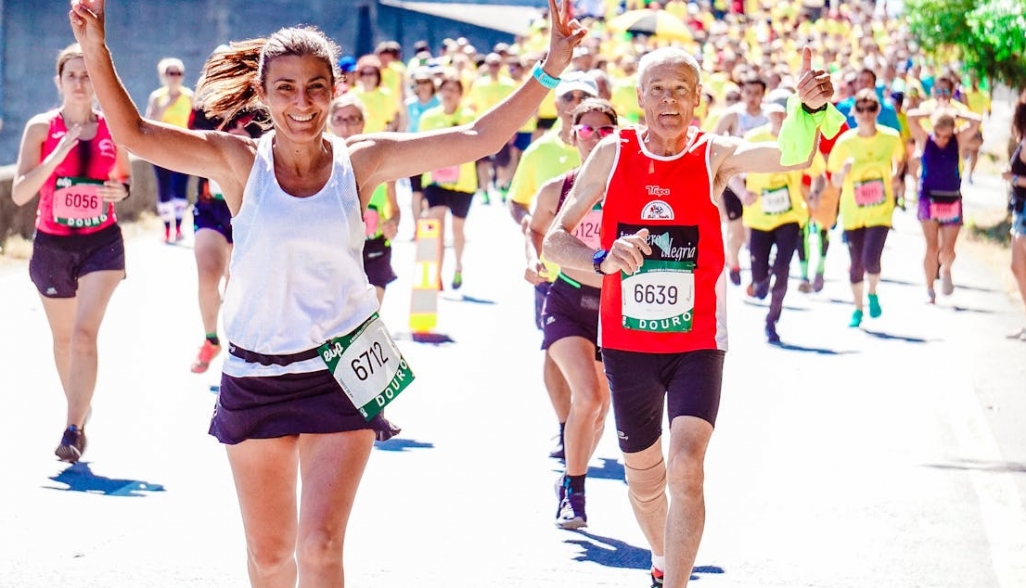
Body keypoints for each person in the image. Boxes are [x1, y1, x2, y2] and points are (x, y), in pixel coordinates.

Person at [69, 4, 584, 588]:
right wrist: (94, 46)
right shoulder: (238, 162)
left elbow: (477, 138)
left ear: (335, 89)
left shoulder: (362, 161)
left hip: (342, 373)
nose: (301, 103)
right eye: (284, 88)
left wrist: (550, 67)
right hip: (256, 376)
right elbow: (133, 134)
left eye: (316, 87)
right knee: (269, 559)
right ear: (263, 94)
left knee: (320, 548)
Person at [543, 46, 835, 588]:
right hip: (628, 344)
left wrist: (807, 111)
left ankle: (671, 581)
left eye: (681, 89)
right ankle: (663, 557)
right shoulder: (612, 152)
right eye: (657, 88)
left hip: (698, 341)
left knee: (687, 467)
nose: (669, 99)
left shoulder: (713, 154)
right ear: (640, 98)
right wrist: (603, 259)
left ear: (698, 99)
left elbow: (792, 158)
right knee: (645, 484)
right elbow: (556, 242)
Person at [11, 42, 132, 462]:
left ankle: (72, 429)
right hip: (52, 245)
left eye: (87, 75)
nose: (80, 83)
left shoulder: (114, 129)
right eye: (72, 76)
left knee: (83, 334)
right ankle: (81, 408)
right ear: (58, 82)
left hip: (101, 244)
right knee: (63, 340)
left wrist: (121, 190)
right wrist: (57, 155)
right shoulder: (41, 129)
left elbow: (125, 181)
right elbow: (21, 192)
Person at [526, 98, 617, 528]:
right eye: (587, 130)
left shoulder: (631, 189)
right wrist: (532, 258)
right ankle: (575, 493)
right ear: (572, 135)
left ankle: (569, 476)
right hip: (567, 300)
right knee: (590, 396)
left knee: (598, 412)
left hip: (617, 310)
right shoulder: (557, 189)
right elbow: (536, 228)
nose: (595, 137)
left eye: (604, 131)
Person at [508, 70, 598, 460]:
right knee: (552, 352)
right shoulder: (539, 152)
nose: (574, 101)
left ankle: (584, 421)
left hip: (598, 275)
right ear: (557, 105)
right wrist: (533, 233)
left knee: (596, 366)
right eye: (567, 97)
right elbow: (517, 202)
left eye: (584, 95)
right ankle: (566, 427)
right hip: (552, 271)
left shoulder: (611, 148)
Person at [187, 63, 266, 374]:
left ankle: (239, 344)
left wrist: (245, 138)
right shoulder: (204, 110)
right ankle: (210, 339)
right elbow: (189, 146)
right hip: (211, 205)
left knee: (239, 284)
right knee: (208, 273)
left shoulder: (261, 108)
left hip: (250, 208)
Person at [739, 102, 826, 343]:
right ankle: (759, 283)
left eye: (784, 111)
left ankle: (772, 320)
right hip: (758, 216)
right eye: (775, 112)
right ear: (768, 114)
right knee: (759, 280)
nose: (779, 116)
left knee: (782, 269)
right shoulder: (754, 137)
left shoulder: (802, 138)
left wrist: (815, 194)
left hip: (790, 215)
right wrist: (742, 193)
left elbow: (819, 175)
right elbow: (734, 170)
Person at [827, 88, 905, 327]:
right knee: (856, 263)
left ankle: (872, 293)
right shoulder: (845, 142)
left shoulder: (891, 137)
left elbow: (900, 161)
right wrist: (843, 171)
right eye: (860, 108)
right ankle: (857, 309)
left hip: (881, 210)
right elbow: (835, 181)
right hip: (853, 211)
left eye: (870, 108)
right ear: (854, 112)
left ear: (877, 110)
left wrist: (896, 177)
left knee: (872, 258)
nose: (866, 113)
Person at [330, 94, 400, 304]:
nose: (346, 126)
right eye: (340, 119)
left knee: (372, 315)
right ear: (330, 123)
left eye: (353, 119)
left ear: (363, 122)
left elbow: (395, 210)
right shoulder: (320, 163)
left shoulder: (380, 161)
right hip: (336, 251)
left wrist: (393, 224)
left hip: (375, 247)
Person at [906, 106, 981, 302]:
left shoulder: (957, 139)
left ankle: (946, 268)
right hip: (928, 197)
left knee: (947, 249)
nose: (941, 139)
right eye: (938, 134)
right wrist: (934, 113)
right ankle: (930, 288)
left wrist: (956, 114)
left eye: (946, 136)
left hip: (951, 198)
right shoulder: (925, 138)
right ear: (934, 129)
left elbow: (977, 121)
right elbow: (910, 116)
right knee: (931, 247)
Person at [417, 74, 477, 290]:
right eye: (445, 89)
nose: (449, 94)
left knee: (457, 229)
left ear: (460, 94)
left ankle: (458, 267)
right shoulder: (429, 118)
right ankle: (435, 274)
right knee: (435, 224)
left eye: (453, 90)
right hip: (435, 179)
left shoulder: (470, 116)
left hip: (464, 181)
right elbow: (422, 146)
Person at [714, 75, 771, 287]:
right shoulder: (733, 115)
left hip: (760, 179)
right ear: (742, 92)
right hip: (735, 179)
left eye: (757, 93)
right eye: (748, 93)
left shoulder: (769, 116)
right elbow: (713, 141)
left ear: (763, 94)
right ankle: (735, 263)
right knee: (736, 229)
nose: (752, 98)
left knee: (756, 231)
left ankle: (758, 271)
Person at [144, 57, 193, 243]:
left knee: (180, 187)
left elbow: (194, 122)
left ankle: (179, 227)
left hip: (183, 148)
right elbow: (149, 122)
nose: (175, 77)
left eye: (178, 73)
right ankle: (166, 229)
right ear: (163, 75)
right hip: (161, 149)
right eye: (171, 73)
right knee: (164, 188)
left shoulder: (189, 96)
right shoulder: (157, 97)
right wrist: (167, 103)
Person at [1001, 98, 1026, 341]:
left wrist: (1013, 178)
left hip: (1024, 211)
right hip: (1020, 210)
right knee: (1017, 267)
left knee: (1020, 266)